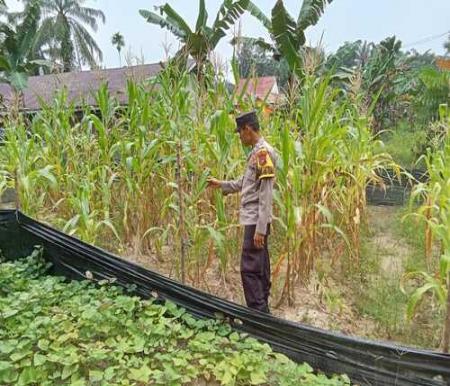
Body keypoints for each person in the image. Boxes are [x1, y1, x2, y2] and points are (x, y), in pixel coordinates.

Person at [208, 111, 278, 313]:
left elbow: (265, 194)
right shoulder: (257, 153)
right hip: (257, 221)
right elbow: (244, 183)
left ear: (248, 129)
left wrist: (260, 229)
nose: (239, 137)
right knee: (260, 266)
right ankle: (264, 312)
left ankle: (258, 316)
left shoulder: (263, 154)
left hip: (256, 221)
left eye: (240, 132)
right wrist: (221, 185)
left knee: (249, 269)